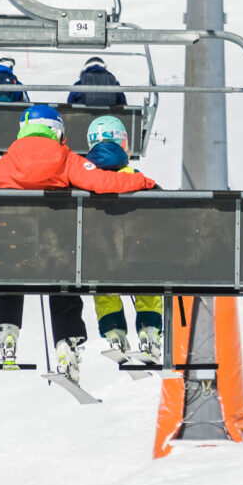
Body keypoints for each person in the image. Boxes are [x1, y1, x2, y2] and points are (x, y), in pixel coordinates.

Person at [0, 104, 156, 381]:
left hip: (14, 252)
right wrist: (141, 182)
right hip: (55, 252)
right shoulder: (65, 158)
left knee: (8, 262)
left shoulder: (4, 164)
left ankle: (7, 329)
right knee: (64, 274)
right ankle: (67, 343)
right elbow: (102, 182)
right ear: (57, 132)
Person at [81, 113, 169, 367]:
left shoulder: (83, 179)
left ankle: (114, 331)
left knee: (100, 276)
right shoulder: (139, 180)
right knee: (148, 270)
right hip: (138, 258)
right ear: (124, 145)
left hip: (100, 261)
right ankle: (150, 330)